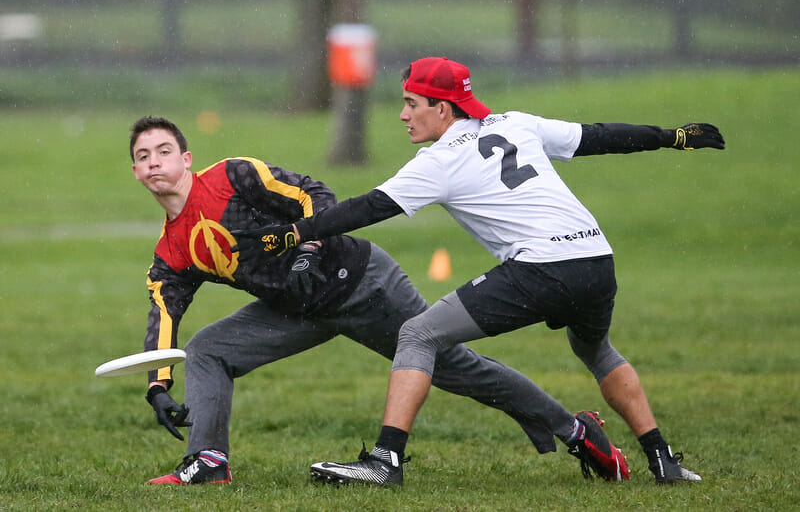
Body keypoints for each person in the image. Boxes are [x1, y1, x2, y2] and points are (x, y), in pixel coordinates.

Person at [232, 57, 725, 486]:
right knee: (595, 349)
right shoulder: (516, 123)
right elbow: (596, 137)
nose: (403, 114)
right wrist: (670, 137)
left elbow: (370, 207)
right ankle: (663, 461)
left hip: (542, 269)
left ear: (442, 109)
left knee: (419, 335)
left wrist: (297, 233)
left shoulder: (440, 160)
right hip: (597, 260)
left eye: (411, 103)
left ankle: (385, 461)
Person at [128, 115, 628, 486]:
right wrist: (158, 386)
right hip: (299, 310)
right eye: (144, 156)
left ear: (186, 158)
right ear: (135, 172)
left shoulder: (234, 176)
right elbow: (164, 314)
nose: (155, 162)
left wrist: (307, 250)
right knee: (209, 349)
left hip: (361, 281)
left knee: (459, 369)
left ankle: (577, 432)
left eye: (164, 150)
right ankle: (209, 462)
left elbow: (314, 197)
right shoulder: (170, 252)